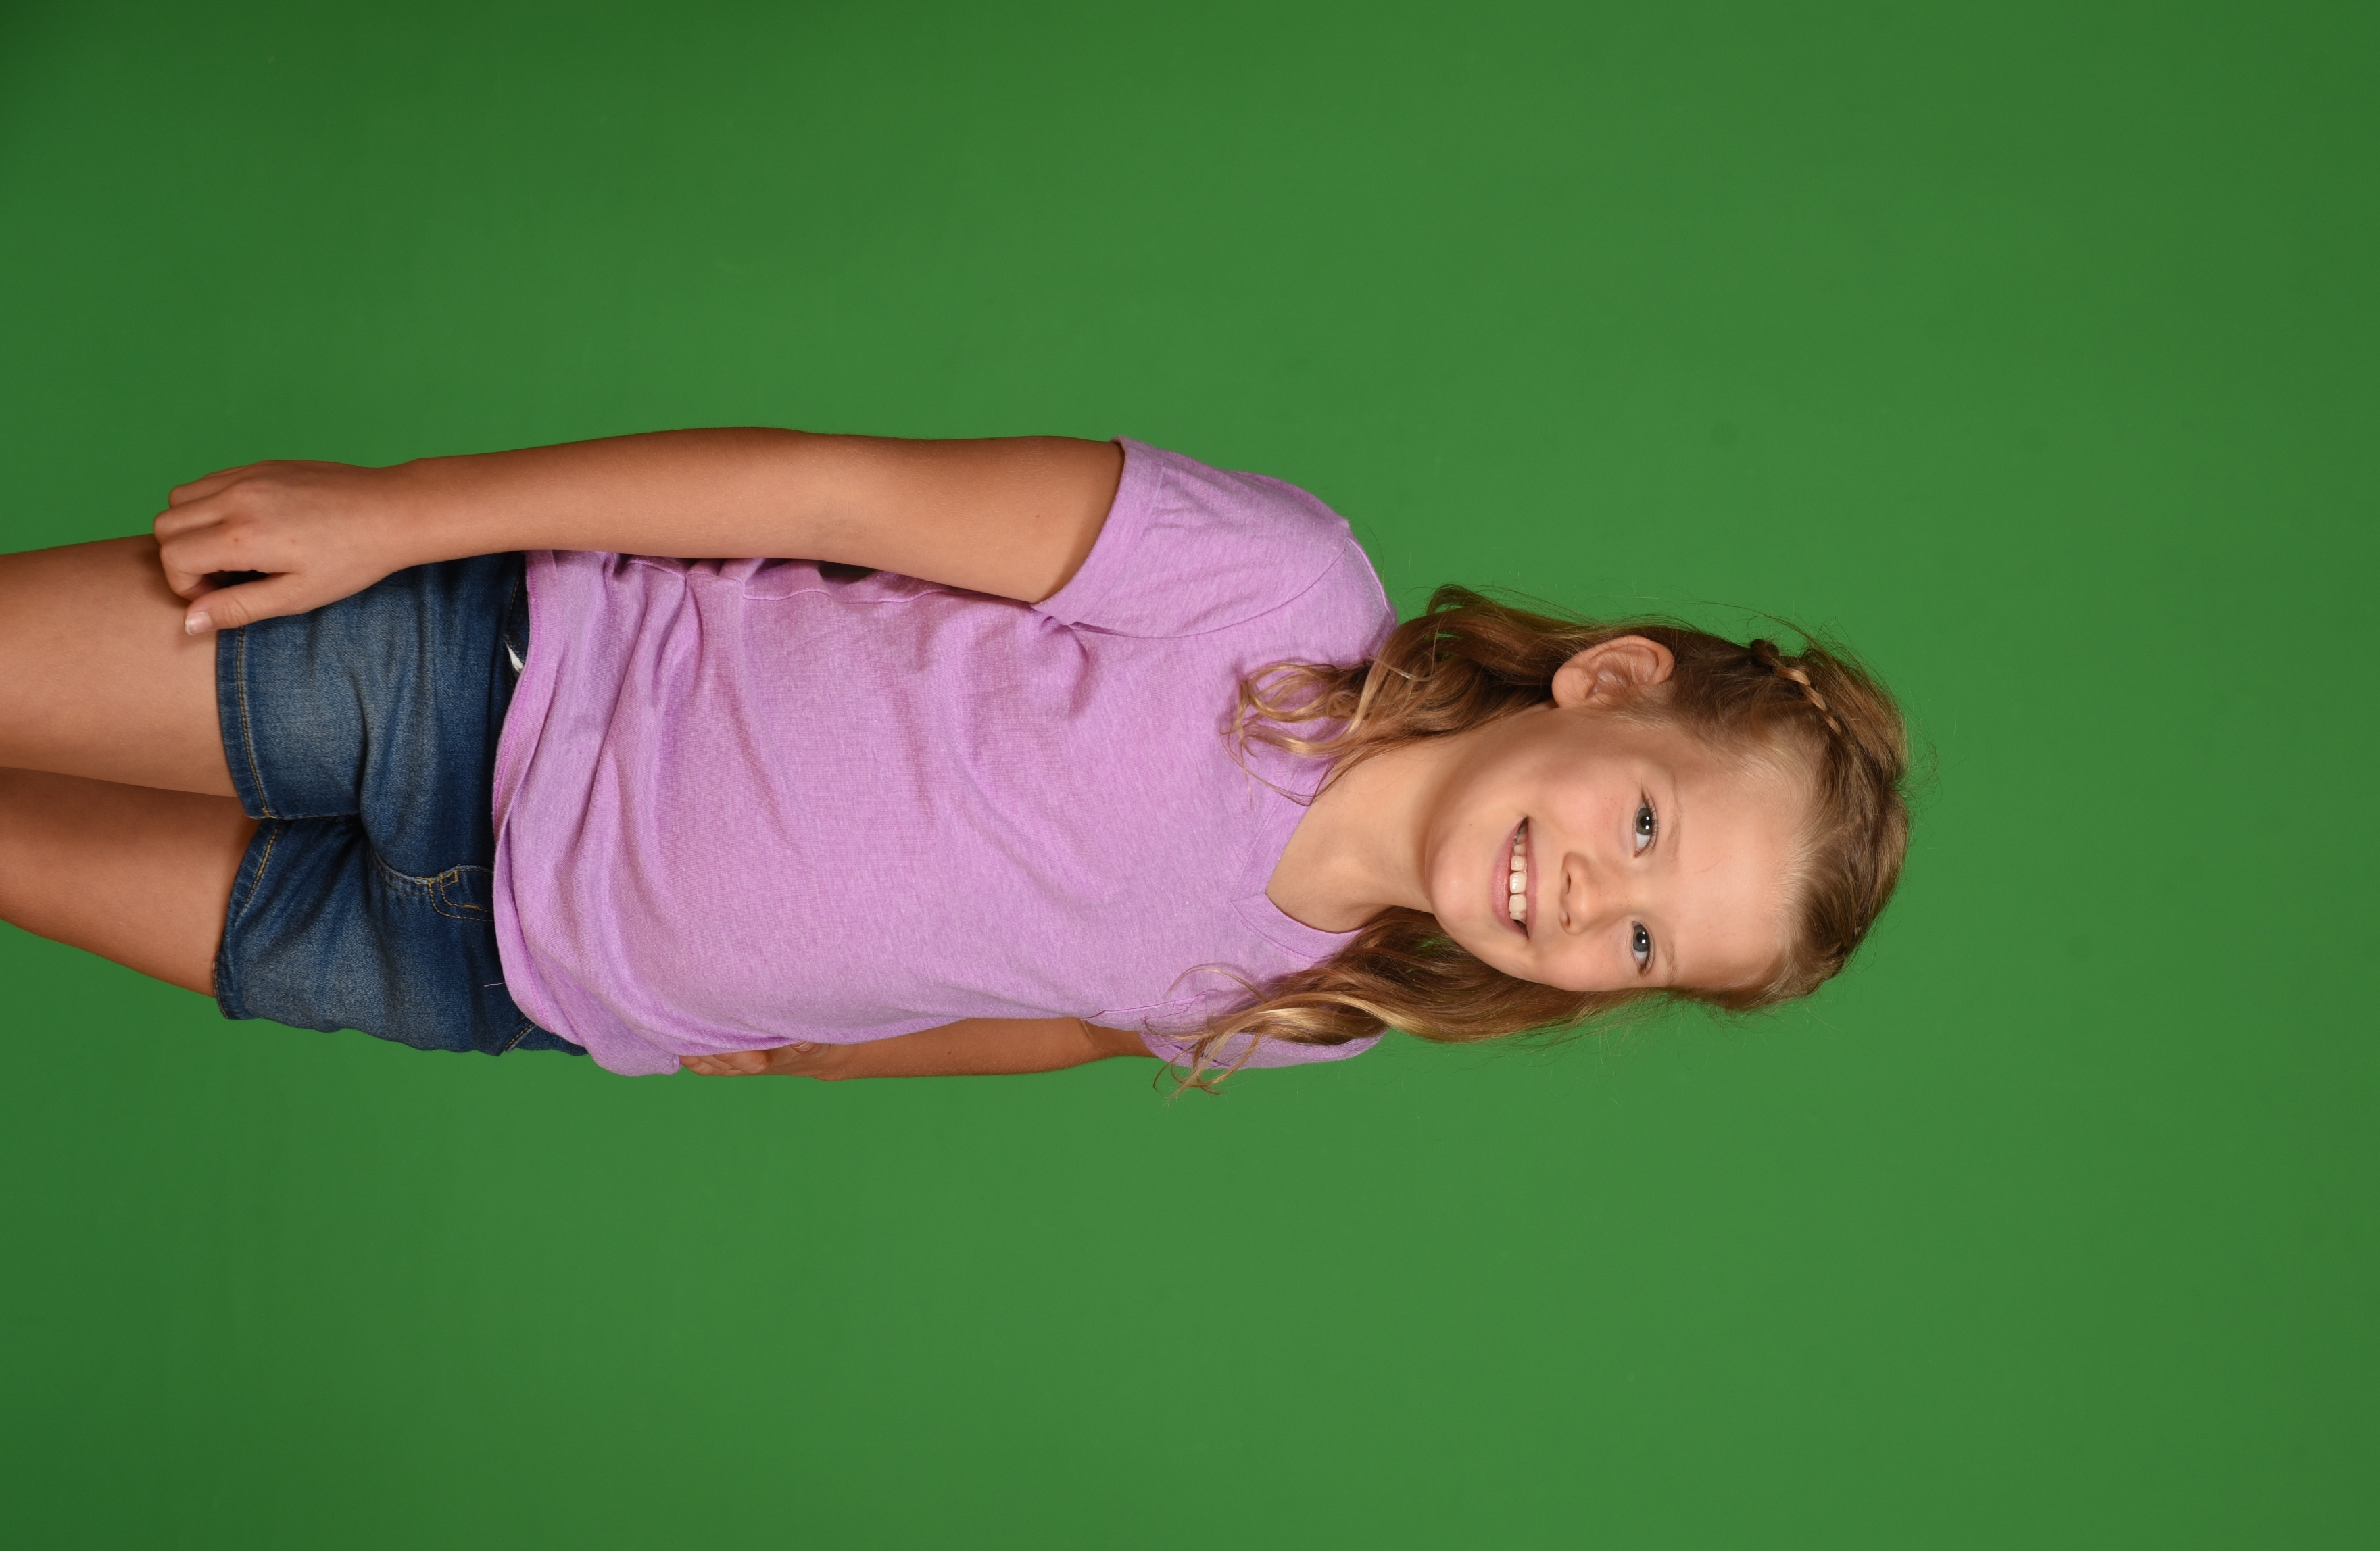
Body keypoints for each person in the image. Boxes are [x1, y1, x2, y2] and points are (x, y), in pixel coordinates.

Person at [0, 430, 1910, 1085]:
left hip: (495, 974)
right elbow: (834, 490)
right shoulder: (1278, 591)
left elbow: (1068, 1018)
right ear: (1613, 682)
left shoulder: (1324, 1008)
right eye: (1646, 824)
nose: (1590, 899)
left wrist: (813, 1049)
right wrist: (402, 517)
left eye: (1646, 941)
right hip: (473, 678)